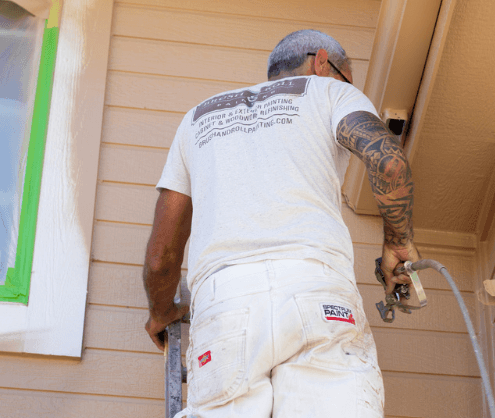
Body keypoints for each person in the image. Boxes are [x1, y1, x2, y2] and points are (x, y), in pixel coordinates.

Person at [141, 29, 420, 417]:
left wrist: (161, 311)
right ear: (321, 62)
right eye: (347, 78)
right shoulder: (329, 92)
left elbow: (162, 255)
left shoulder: (197, 119)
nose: (348, 86)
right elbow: (388, 161)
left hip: (225, 302)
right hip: (317, 292)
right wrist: (397, 244)